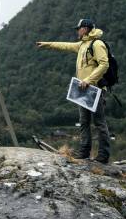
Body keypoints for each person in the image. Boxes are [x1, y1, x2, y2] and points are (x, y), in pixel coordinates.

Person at [36, 18, 111, 163]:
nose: (77, 31)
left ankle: (103, 155)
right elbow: (66, 46)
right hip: (84, 90)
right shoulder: (83, 45)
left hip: (95, 90)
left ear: (85, 29)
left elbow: (104, 64)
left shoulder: (97, 44)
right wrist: (47, 44)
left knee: (99, 123)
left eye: (79, 28)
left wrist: (88, 80)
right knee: (84, 122)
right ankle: (84, 152)